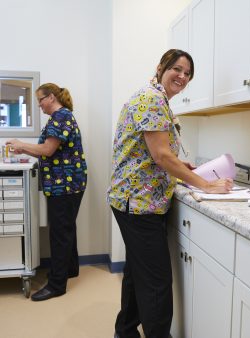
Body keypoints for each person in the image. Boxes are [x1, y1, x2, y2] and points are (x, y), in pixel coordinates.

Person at [107, 49, 233, 338]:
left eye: (188, 73)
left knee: (138, 273)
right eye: (177, 68)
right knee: (156, 283)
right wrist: (205, 184)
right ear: (160, 67)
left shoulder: (157, 99)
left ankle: (125, 331)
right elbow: (161, 155)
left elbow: (156, 154)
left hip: (135, 199)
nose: (182, 76)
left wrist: (180, 165)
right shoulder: (152, 99)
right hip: (139, 203)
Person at [6, 83, 87, 301]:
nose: (39, 105)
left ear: (51, 98)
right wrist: (25, 151)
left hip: (65, 184)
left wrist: (22, 146)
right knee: (66, 227)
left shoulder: (60, 117)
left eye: (40, 100)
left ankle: (56, 285)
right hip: (67, 183)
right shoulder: (61, 117)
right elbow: (49, 152)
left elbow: (47, 150)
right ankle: (70, 269)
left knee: (60, 232)